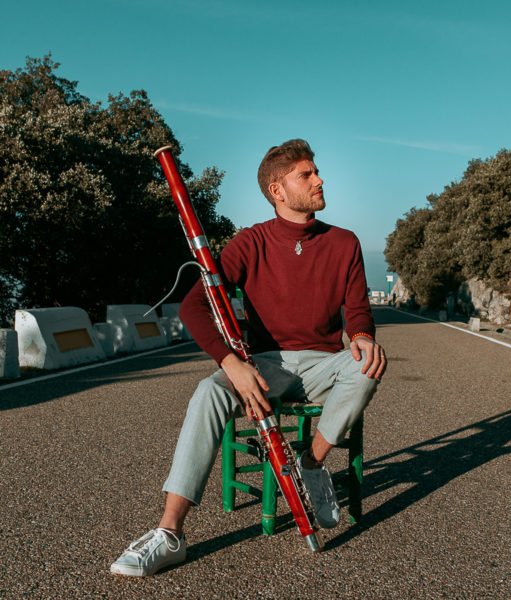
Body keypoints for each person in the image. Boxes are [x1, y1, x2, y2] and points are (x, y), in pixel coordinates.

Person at [110, 139, 386, 577]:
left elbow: (357, 309)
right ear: (278, 190)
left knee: (369, 366)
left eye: (316, 172)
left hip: (324, 361)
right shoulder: (249, 242)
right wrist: (230, 363)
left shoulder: (345, 242)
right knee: (207, 392)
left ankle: (310, 464)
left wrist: (364, 335)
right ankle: (170, 533)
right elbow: (193, 306)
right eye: (307, 174)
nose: (319, 180)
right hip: (266, 365)